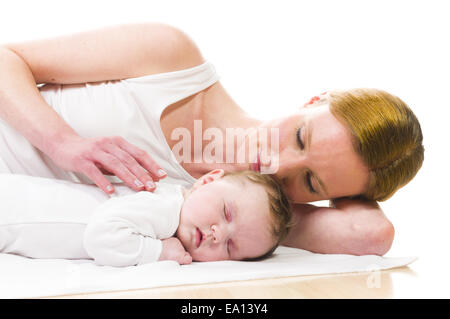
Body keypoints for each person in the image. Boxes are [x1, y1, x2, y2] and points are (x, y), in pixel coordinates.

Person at [0, 23, 424, 256]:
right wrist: (62, 142)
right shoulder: (172, 59)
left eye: (311, 182)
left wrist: (267, 222)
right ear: (315, 99)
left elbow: (370, 235)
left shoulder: (233, 220)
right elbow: (8, 58)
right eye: (299, 136)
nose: (278, 165)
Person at [0, 169, 292, 266]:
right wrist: (159, 251)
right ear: (207, 181)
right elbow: (100, 235)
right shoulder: (165, 209)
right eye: (226, 212)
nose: (218, 234)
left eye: (230, 247)